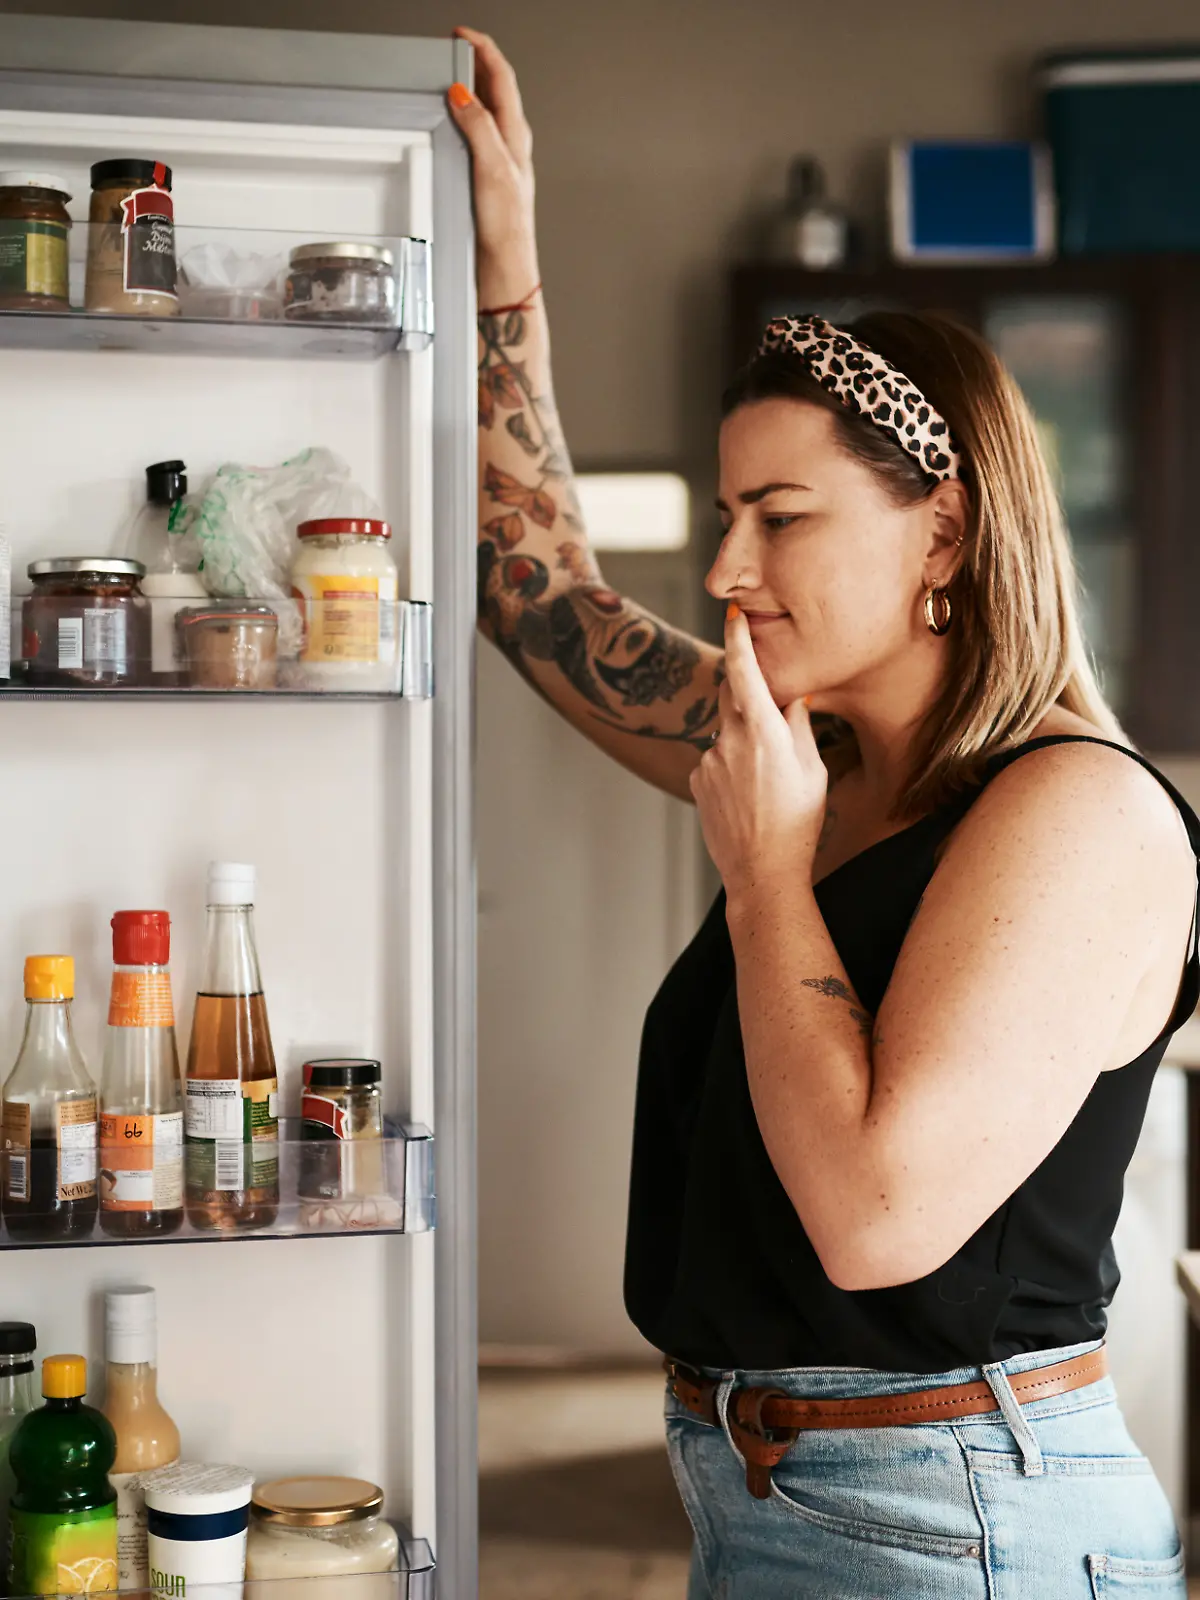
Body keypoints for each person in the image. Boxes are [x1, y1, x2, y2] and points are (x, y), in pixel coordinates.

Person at [449, 30, 1198, 1598]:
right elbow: (537, 597)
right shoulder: (812, 759)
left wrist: (767, 876)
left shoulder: (1077, 812)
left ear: (946, 532)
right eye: (729, 513)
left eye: (780, 516)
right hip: (768, 1495)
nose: (726, 568)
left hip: (955, 1518)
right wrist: (503, 261)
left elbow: (873, 1220)